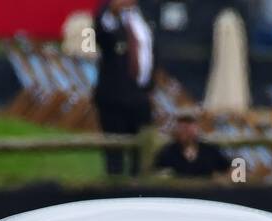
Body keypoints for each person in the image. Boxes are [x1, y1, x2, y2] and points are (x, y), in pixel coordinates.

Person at [93, 0, 155, 177]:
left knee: (142, 152)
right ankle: (114, 191)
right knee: (115, 151)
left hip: (141, 96)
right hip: (114, 97)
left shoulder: (144, 16)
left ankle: (139, 192)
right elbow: (102, 32)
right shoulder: (108, 18)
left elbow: (150, 52)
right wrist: (112, 10)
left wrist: (150, 86)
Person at [154, 111, 230, 178]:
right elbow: (157, 172)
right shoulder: (167, 152)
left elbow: (227, 168)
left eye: (189, 127)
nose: (185, 131)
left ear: (197, 129)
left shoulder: (210, 150)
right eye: (182, 128)